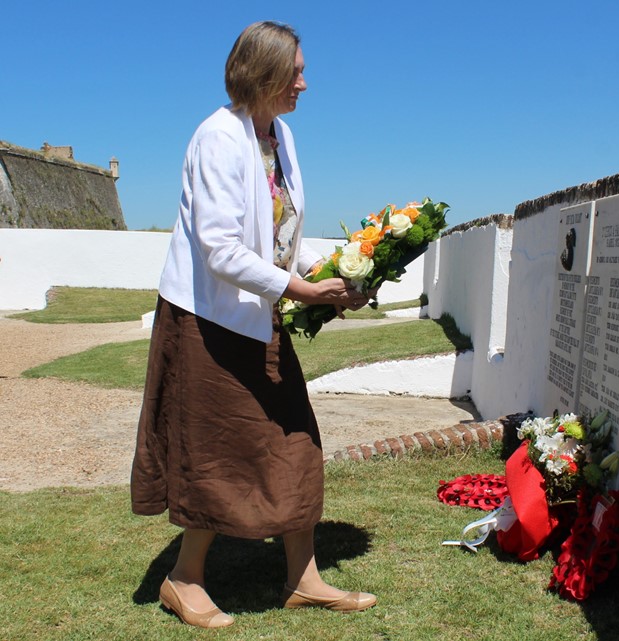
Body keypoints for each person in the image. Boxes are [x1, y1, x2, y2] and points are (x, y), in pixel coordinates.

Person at [130, 21, 376, 629]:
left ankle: (303, 578)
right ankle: (183, 581)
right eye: (296, 71)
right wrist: (300, 290)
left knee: (294, 437)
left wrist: (336, 278)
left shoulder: (280, 135)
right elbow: (219, 249)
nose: (305, 82)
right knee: (215, 452)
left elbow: (276, 235)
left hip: (258, 315)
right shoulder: (217, 137)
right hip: (207, 320)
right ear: (263, 72)